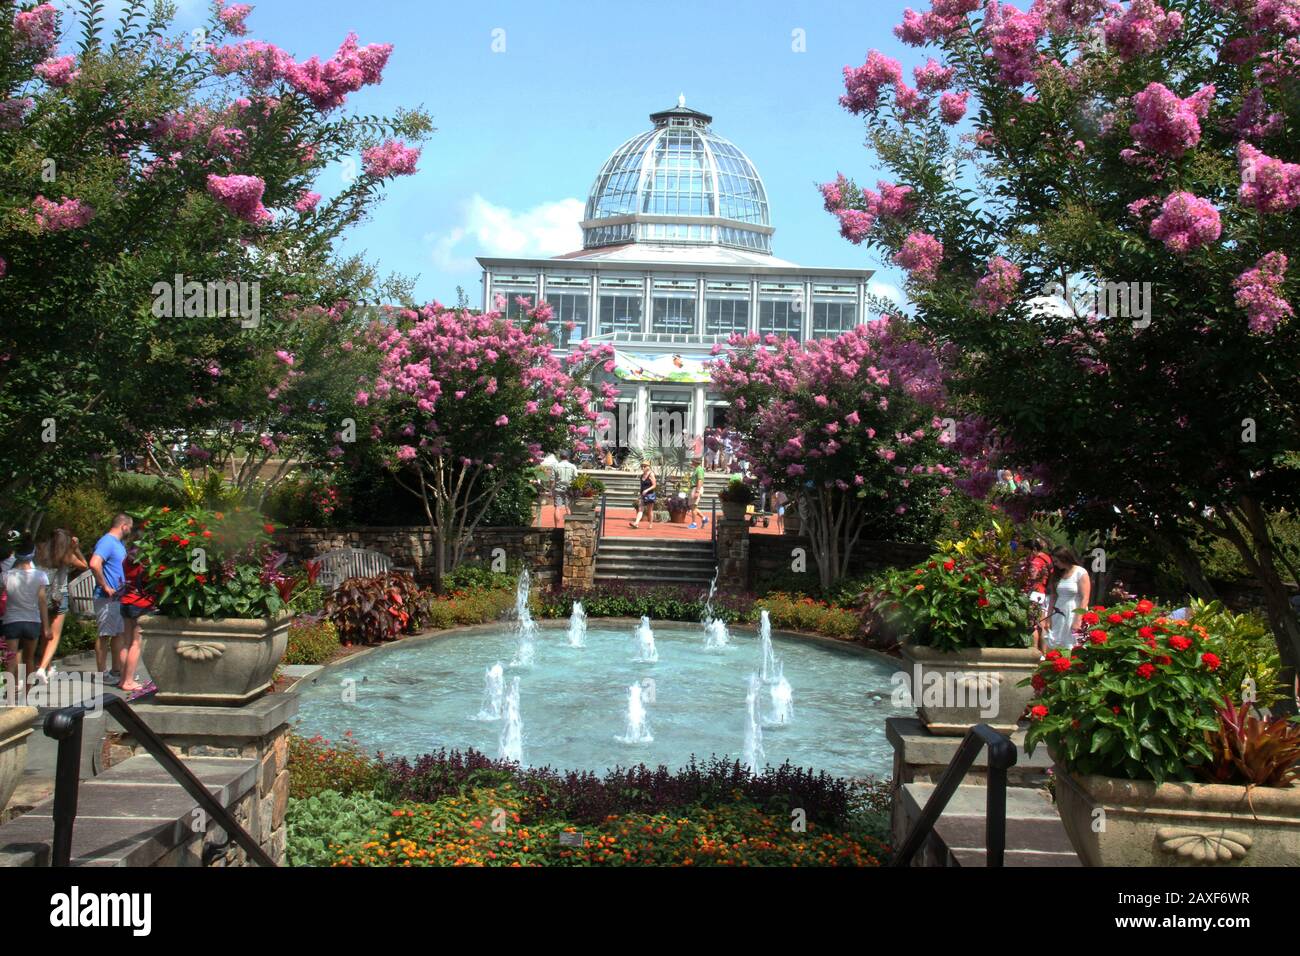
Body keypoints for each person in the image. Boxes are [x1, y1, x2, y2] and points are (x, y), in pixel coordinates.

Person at [33, 528, 89, 684]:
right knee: (54, 636)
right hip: (59, 596)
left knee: (45, 632)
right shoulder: (67, 556)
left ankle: (47, 666)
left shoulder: (40, 552)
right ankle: (41, 668)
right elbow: (85, 565)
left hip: (41, 596)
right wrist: (76, 549)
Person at [89, 513, 132, 685]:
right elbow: (94, 563)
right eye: (130, 526)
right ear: (124, 526)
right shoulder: (107, 541)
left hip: (118, 597)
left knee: (118, 633)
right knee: (105, 634)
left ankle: (117, 670)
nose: (131, 530)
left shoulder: (118, 544)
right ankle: (102, 673)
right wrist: (105, 586)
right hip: (106, 597)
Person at [1, 535, 50, 686]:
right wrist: (46, 627)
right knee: (29, 659)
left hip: (11, 621)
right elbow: (42, 601)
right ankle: (27, 696)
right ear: (33, 553)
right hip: (32, 621)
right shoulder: (40, 575)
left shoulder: (6, 575)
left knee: (11, 658)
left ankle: (10, 695)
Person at [117, 550, 157, 698]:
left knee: (126, 643)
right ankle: (129, 680)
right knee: (136, 644)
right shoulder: (145, 563)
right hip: (140, 603)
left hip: (126, 601)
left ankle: (123, 679)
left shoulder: (126, 560)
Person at [1045, 546, 1091, 650]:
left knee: (1073, 645)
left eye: (1056, 561)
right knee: (1056, 645)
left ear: (1064, 558)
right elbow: (1053, 597)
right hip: (1058, 613)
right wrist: (1048, 618)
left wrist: (1078, 620)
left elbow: (1085, 598)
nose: (1055, 563)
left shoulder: (1080, 572)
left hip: (1074, 613)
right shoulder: (1057, 574)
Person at [1023, 537, 1053, 652]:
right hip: (1044, 593)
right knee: (1043, 624)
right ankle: (1044, 654)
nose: (1026, 553)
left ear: (1034, 549)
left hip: (1035, 593)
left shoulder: (1036, 560)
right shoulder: (1047, 558)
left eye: (1027, 550)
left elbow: (1032, 577)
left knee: (1033, 625)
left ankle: (1034, 651)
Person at [552, 451, 579, 525]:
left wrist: (551, 490)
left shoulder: (556, 466)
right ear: (568, 457)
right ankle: (570, 526)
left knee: (557, 507)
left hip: (558, 488)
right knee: (568, 507)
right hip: (569, 489)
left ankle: (556, 527)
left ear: (560, 457)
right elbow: (576, 478)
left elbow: (552, 480)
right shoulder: (572, 466)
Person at [629, 461, 657, 529]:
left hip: (650, 495)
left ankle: (650, 524)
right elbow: (641, 486)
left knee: (649, 511)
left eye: (645, 466)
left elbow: (654, 485)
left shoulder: (651, 474)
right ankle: (636, 523)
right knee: (640, 509)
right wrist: (641, 493)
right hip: (643, 495)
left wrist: (647, 490)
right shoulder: (641, 476)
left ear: (648, 467)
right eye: (642, 466)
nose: (643, 467)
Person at [687, 456, 708, 530]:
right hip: (694, 488)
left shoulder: (699, 469)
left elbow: (700, 480)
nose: (691, 462)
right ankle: (704, 518)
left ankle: (694, 523)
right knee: (693, 506)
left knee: (693, 506)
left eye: (693, 461)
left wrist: (697, 491)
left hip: (696, 488)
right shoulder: (696, 469)